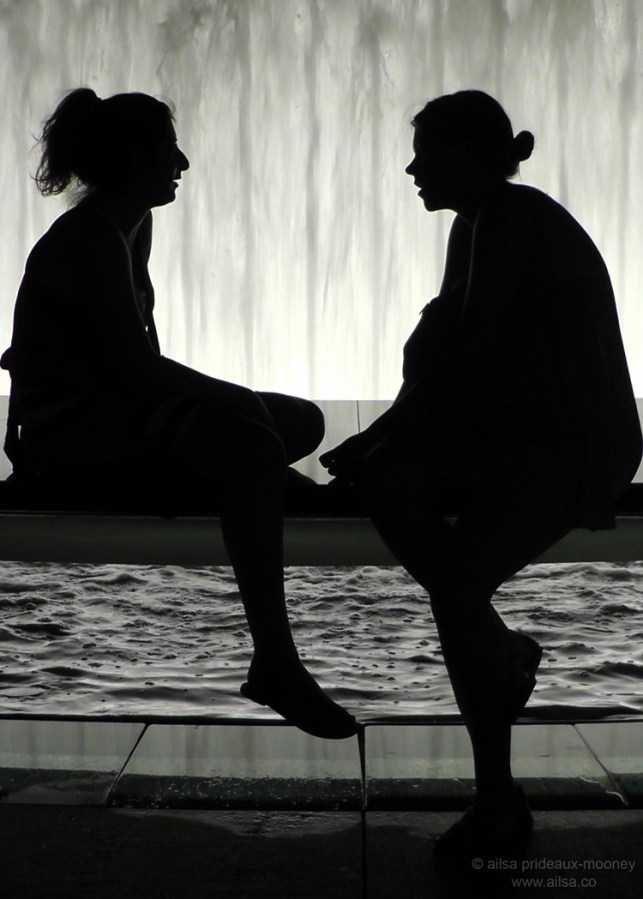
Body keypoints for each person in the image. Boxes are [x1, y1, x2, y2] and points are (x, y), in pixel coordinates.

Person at [321, 89, 642, 854]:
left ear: (466, 155)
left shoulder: (506, 217)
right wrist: (384, 442)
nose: (411, 170)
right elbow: (456, 357)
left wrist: (379, 435)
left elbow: (466, 353)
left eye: (424, 155)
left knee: (452, 581)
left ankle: (497, 787)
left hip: (573, 444)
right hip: (524, 435)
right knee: (404, 506)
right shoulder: (481, 220)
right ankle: (500, 657)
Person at [2, 88, 358, 740]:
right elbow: (133, 368)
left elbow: (136, 363)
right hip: (80, 437)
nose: (184, 163)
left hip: (120, 416)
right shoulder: (89, 238)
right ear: (137, 158)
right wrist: (233, 403)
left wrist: (226, 412)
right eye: (171, 150)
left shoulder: (130, 225)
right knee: (255, 442)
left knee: (299, 421)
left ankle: (248, 487)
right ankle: (275, 661)